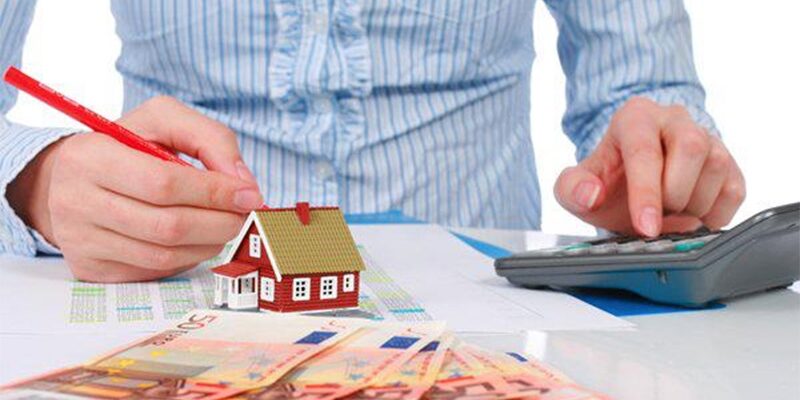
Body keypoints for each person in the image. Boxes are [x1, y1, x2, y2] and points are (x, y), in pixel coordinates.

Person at [0, 0, 745, 283]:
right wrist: (35, 180)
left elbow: (644, 87)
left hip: (487, 304)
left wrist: (657, 167)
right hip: (182, 287)